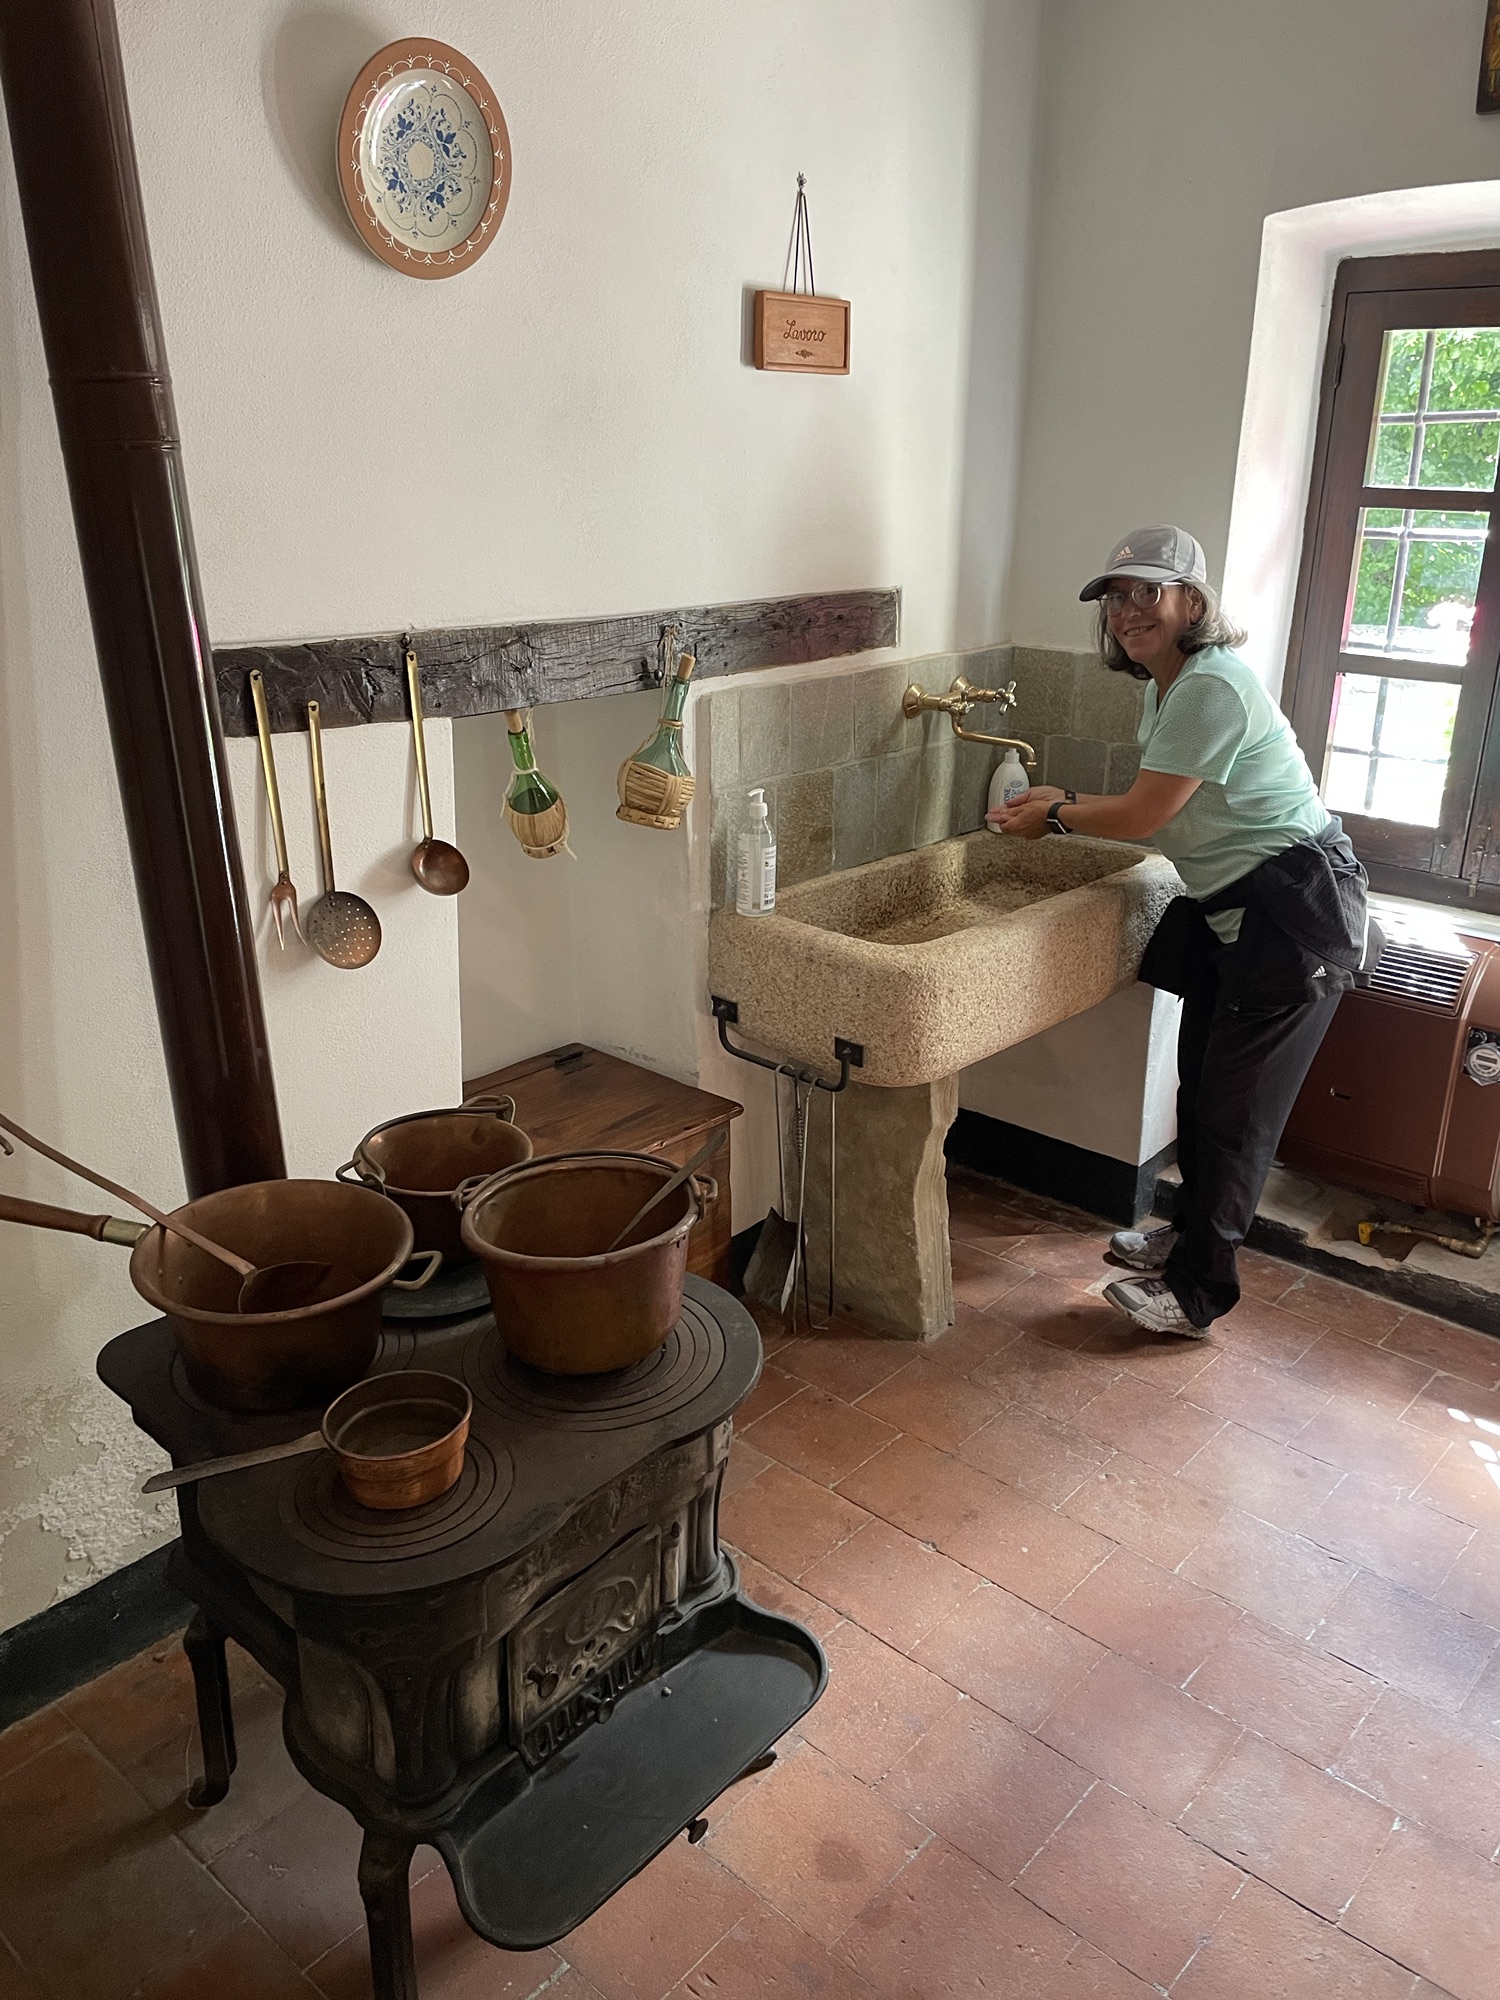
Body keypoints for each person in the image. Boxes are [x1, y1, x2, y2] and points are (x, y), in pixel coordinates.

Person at [987, 525, 1370, 1338]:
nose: (1128, 611)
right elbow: (1161, 803)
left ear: (1192, 603)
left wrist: (1056, 813)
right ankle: (1187, 1236)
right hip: (1240, 912)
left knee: (1234, 1118)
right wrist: (1062, 802)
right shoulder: (1170, 685)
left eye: (1147, 593)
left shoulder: (1210, 687)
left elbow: (1144, 815)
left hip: (1293, 912)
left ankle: (1199, 1294)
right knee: (1200, 1090)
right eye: (1116, 598)